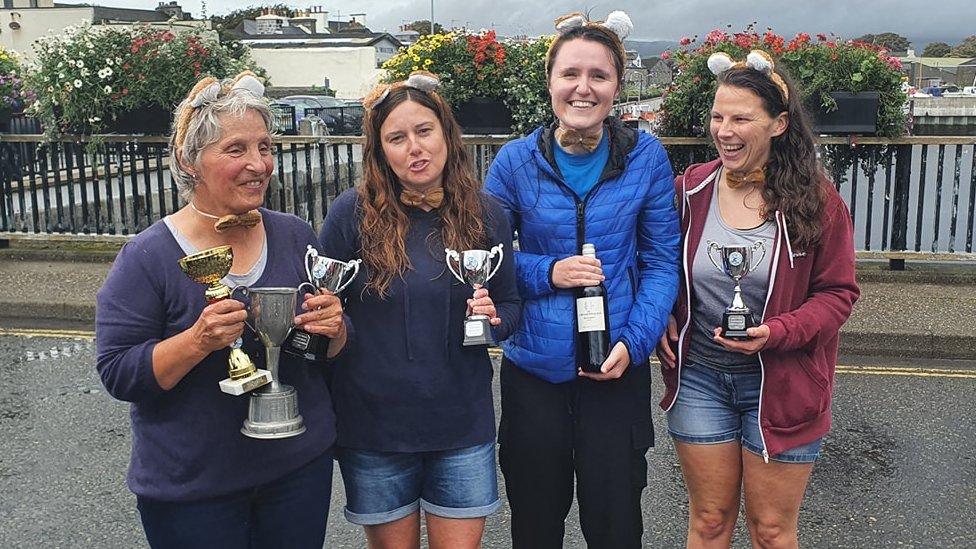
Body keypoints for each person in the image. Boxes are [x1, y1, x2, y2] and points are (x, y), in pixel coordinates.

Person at [95, 72, 344, 548]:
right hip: (193, 489)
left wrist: (334, 329)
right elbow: (119, 373)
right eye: (236, 150)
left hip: (295, 470)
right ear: (191, 160)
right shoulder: (148, 256)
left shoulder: (294, 235)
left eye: (265, 147)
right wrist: (197, 341)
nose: (259, 164)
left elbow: (326, 351)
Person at [484, 11, 681, 548]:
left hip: (616, 369)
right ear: (550, 81)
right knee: (536, 524)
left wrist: (634, 344)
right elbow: (487, 261)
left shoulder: (646, 158)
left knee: (615, 525)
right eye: (570, 73)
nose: (583, 88)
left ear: (617, 85)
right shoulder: (514, 162)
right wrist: (549, 270)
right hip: (534, 372)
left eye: (599, 75)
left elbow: (662, 262)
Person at [656, 50, 860, 548]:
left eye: (741, 118)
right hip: (700, 379)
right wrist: (660, 309)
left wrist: (779, 332)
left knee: (770, 531)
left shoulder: (817, 201)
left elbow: (838, 295)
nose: (724, 130)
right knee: (708, 522)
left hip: (784, 384)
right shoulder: (690, 190)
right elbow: (658, 263)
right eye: (717, 117)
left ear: (778, 124)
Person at [318, 72, 521, 548]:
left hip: (460, 426)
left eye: (424, 131)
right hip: (374, 430)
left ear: (447, 135)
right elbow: (326, 312)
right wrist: (331, 323)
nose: (415, 147)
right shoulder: (349, 215)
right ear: (380, 149)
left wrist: (494, 320)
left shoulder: (487, 214)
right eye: (397, 137)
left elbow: (512, 307)